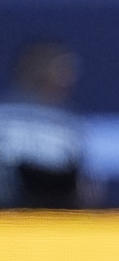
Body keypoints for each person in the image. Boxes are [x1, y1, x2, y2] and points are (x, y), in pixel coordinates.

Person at [0, 40, 87, 209]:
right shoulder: (66, 124)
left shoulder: (69, 121)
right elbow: (83, 192)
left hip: (44, 219)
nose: (68, 77)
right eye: (60, 68)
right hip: (26, 219)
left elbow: (78, 187)